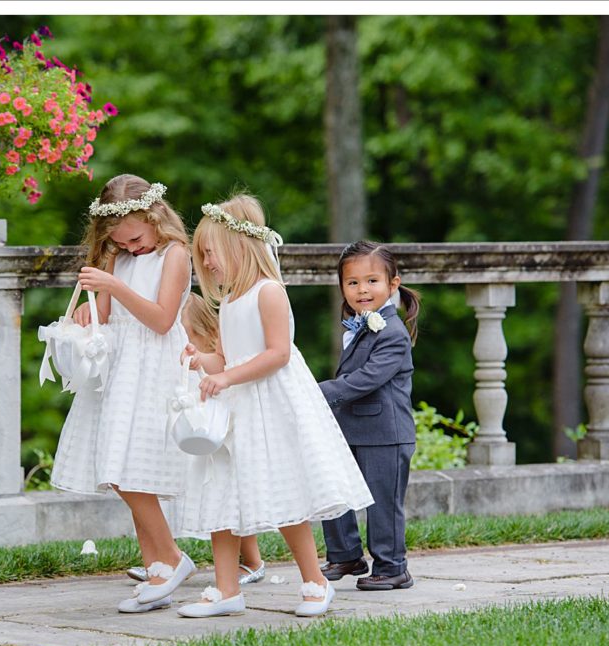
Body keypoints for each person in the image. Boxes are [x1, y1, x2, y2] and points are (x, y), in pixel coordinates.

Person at [164, 195, 373, 618]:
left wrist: (226, 376)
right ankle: (226, 590)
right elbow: (224, 358)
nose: (207, 261)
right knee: (221, 495)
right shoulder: (227, 303)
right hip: (235, 408)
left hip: (269, 405)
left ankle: (314, 580)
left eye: (211, 252)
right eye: (202, 254)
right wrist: (198, 360)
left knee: (282, 494)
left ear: (240, 247)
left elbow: (277, 353)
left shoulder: (268, 292)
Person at [49, 174, 196, 614]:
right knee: (117, 468)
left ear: (156, 218)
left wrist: (116, 288)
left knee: (131, 470)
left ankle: (170, 557)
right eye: (120, 241)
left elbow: (162, 319)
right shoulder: (119, 256)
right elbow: (108, 315)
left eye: (135, 238)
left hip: (154, 366)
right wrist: (87, 313)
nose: (130, 247)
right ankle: (156, 569)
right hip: (120, 369)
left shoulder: (176, 255)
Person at [126, 292, 267, 587]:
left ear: (204, 333)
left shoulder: (215, 358)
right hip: (184, 411)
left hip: (209, 412)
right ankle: (160, 559)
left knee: (228, 487)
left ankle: (252, 560)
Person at [317, 241, 421, 591]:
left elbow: (366, 379)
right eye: (352, 283)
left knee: (383, 504)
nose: (362, 290)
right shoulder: (359, 326)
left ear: (392, 284)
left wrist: (318, 392)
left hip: (385, 433)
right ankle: (345, 554)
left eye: (372, 281)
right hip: (353, 430)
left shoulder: (392, 333)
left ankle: (393, 567)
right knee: (335, 490)